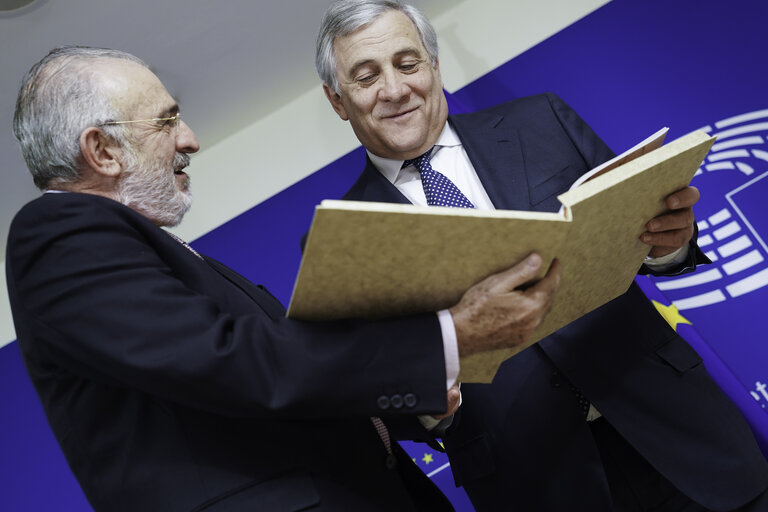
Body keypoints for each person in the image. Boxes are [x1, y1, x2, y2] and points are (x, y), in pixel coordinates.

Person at [6, 46, 563, 512]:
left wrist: (415, 406)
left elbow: (263, 386)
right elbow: (228, 361)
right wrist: (447, 337)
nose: (191, 139)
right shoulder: (56, 232)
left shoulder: (137, 248)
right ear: (101, 150)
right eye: (167, 120)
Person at [314, 1, 768, 511]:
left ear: (434, 65)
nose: (394, 89)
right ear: (337, 100)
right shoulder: (343, 239)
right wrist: (427, 408)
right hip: (533, 483)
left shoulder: (541, 120)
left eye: (408, 63)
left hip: (683, 436)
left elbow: (654, 244)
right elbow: (376, 396)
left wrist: (671, 243)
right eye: (366, 75)